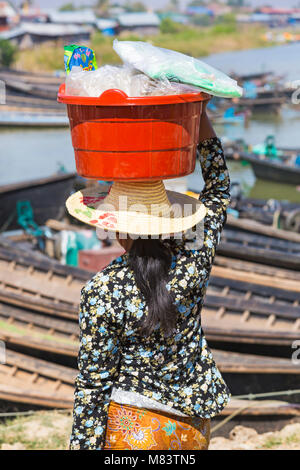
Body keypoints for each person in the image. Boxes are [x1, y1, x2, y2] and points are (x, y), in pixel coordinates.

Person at [67, 102, 231, 451]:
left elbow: (93, 386)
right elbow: (217, 189)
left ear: (116, 229)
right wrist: (197, 113)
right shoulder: (194, 255)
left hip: (134, 430)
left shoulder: (101, 291)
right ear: (167, 219)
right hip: (192, 429)